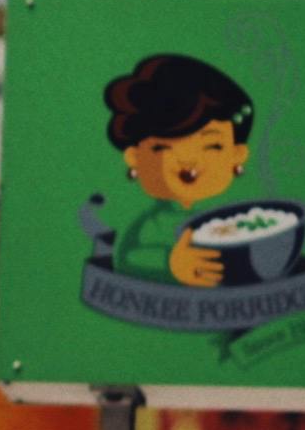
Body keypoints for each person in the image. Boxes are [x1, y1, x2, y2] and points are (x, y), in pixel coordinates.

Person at [100, 55, 260, 288]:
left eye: (212, 146)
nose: (189, 161)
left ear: (237, 155)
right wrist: (170, 263)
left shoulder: (237, 217)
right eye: (162, 148)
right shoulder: (155, 223)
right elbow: (128, 257)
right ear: (135, 158)